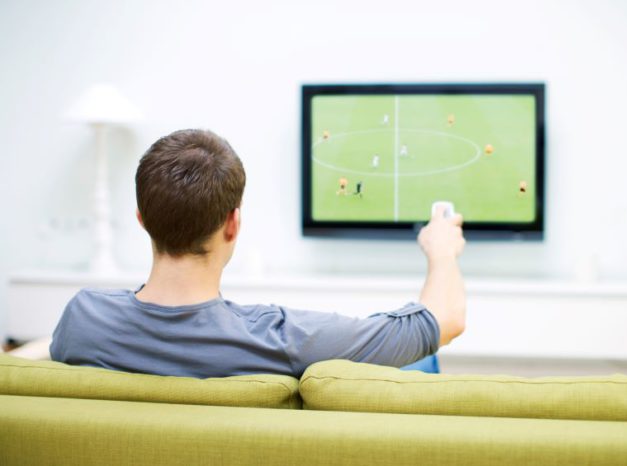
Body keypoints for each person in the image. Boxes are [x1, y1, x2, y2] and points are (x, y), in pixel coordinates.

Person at [49, 129, 466, 378]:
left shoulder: (82, 318)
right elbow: (443, 322)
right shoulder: (280, 338)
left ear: (142, 219)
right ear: (233, 224)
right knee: (419, 364)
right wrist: (442, 251)